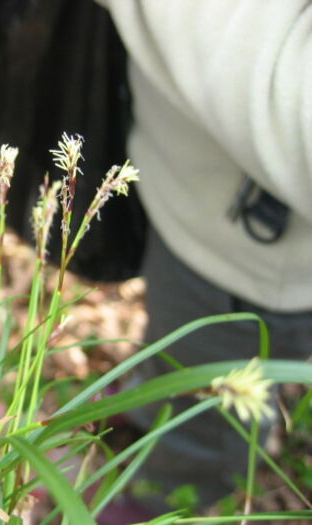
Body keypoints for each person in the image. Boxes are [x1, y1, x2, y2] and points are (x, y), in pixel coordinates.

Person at [93, 0, 312, 516]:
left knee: (209, 412)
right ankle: (154, 404)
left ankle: (167, 498)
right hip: (193, 195)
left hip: (252, 265)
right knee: (179, 342)